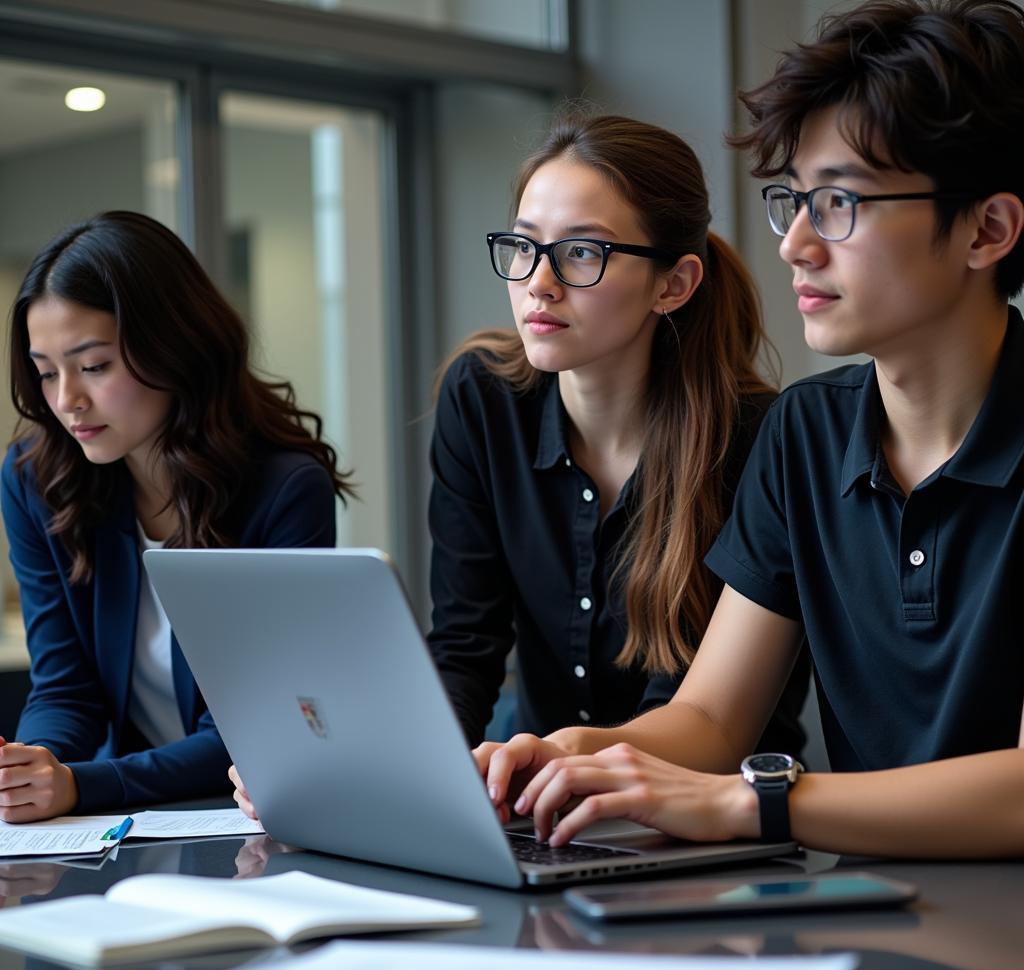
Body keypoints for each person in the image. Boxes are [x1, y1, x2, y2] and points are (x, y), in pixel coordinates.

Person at [479, 0, 1024, 859]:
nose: (797, 244)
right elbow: (711, 716)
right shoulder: (808, 431)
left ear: (987, 230)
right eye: (795, 201)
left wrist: (752, 804)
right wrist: (576, 755)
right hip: (864, 917)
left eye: (841, 202)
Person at [428, 115, 810, 782]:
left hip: (710, 821)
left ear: (674, 284)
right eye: (524, 246)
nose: (538, 283)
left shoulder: (755, 438)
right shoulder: (483, 399)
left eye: (581, 252)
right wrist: (393, 768)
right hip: (544, 801)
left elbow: (703, 713)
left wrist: (558, 757)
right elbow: (464, 648)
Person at [0, 211, 354, 822]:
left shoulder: (284, 489)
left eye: (94, 366)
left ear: (172, 347)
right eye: (46, 371)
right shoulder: (37, 479)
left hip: (240, 814)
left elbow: (247, 731)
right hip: (125, 818)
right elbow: (65, 687)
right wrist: (35, 766)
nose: (66, 401)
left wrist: (80, 785)